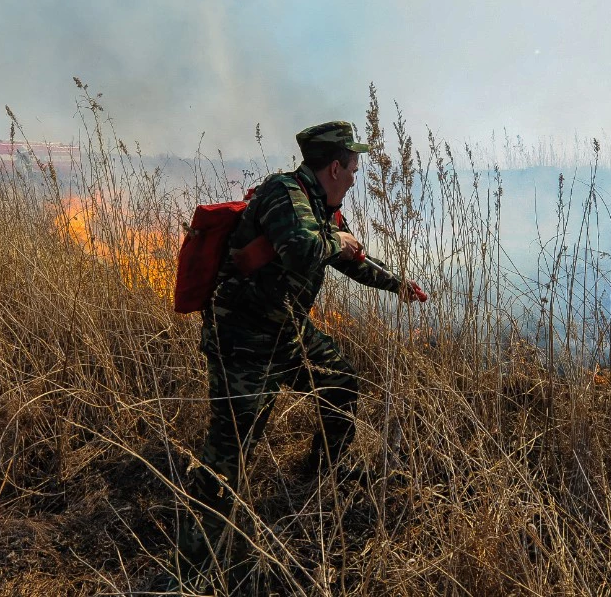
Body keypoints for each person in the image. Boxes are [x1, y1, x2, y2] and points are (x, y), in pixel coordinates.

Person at [167, 120, 424, 588]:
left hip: (287, 332)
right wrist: (337, 240)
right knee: (230, 451)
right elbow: (303, 249)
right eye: (353, 166)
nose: (356, 174)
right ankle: (190, 568)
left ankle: (318, 475)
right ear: (333, 166)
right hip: (242, 338)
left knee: (341, 384)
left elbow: (353, 259)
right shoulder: (287, 195)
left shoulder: (323, 205)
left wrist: (399, 284)